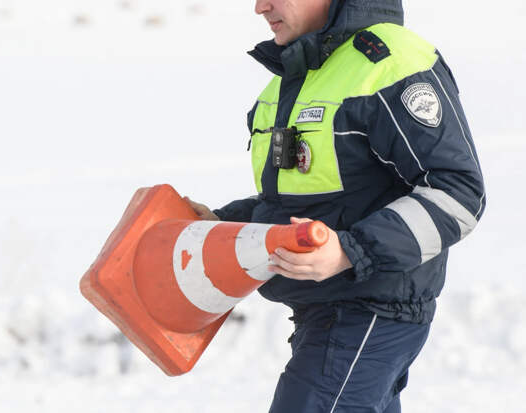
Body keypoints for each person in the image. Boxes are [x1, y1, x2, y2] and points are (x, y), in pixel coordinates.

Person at [186, 0, 486, 412]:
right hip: (322, 314)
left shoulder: (390, 63)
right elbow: (296, 203)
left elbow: (457, 192)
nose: (260, 6)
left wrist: (352, 249)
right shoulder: (297, 77)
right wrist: (221, 223)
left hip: (372, 311)